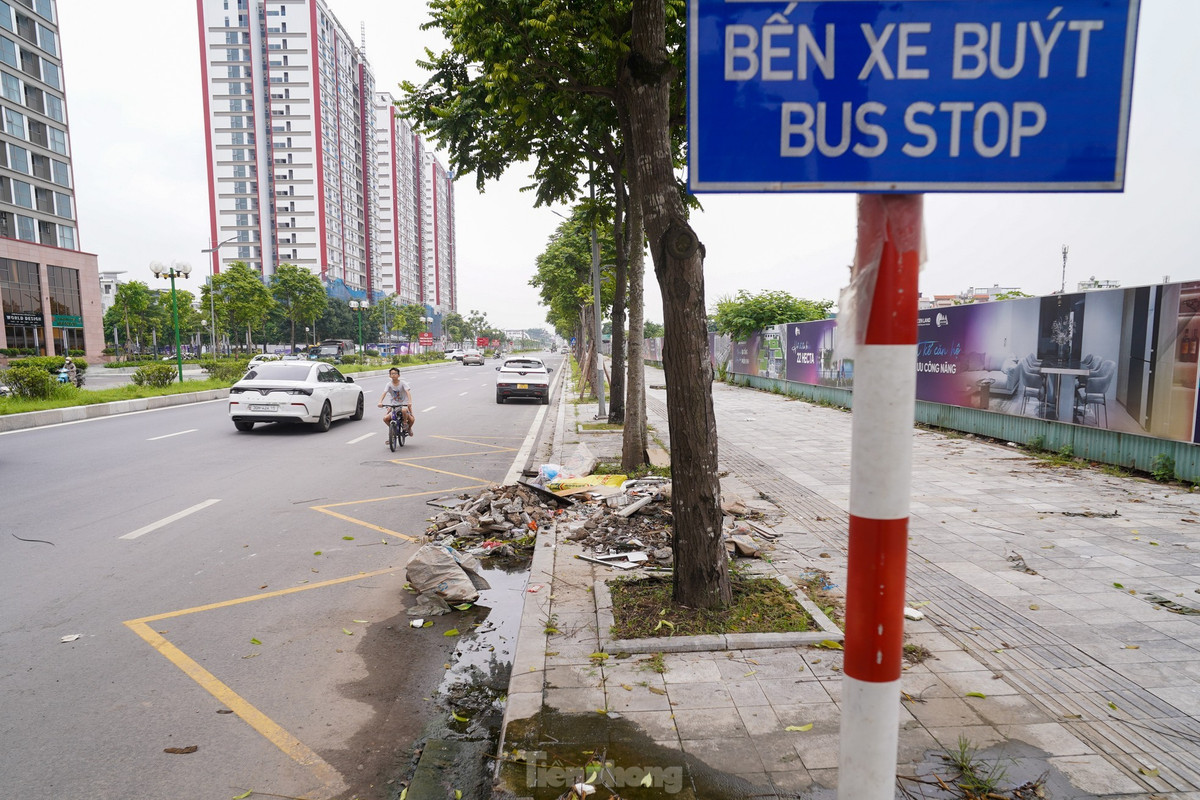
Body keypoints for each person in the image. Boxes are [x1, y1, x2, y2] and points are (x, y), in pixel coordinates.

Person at [378, 367, 415, 440]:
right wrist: (380, 402)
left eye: (395, 373)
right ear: (389, 375)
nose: (393, 375)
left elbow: (408, 392)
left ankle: (405, 425)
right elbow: (384, 393)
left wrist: (409, 402)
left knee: (405, 412)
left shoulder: (403, 383)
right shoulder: (388, 384)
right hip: (394, 405)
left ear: (399, 375)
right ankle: (393, 431)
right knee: (385, 418)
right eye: (392, 374)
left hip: (404, 404)